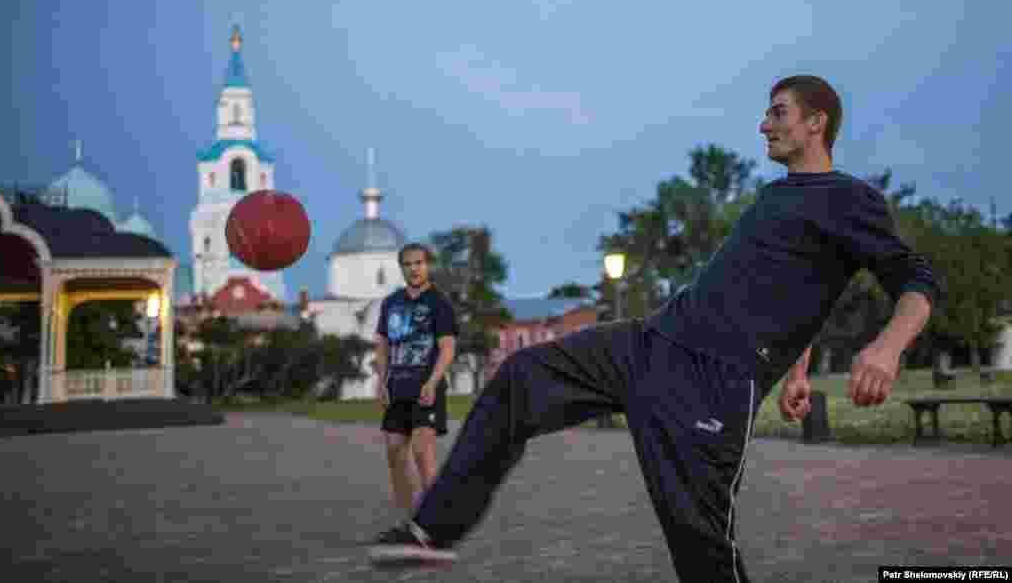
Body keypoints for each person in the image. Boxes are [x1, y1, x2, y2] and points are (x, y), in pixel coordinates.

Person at [369, 76, 940, 582]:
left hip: (710, 380)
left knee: (700, 546)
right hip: (649, 343)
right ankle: (434, 529)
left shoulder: (849, 199)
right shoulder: (777, 195)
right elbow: (790, 288)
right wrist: (799, 368)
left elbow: (918, 281)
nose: (764, 124)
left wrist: (885, 350)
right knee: (520, 376)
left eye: (779, 111)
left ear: (817, 122)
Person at [374, 242, 458, 517]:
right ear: (401, 268)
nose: (413, 269)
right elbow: (383, 345)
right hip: (397, 387)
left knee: (423, 451)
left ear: (427, 265)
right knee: (394, 451)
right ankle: (410, 518)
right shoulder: (391, 303)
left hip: (426, 388)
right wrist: (381, 381)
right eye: (407, 264)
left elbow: (447, 348)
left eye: (418, 263)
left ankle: (437, 520)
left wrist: (433, 382)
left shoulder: (439, 303)